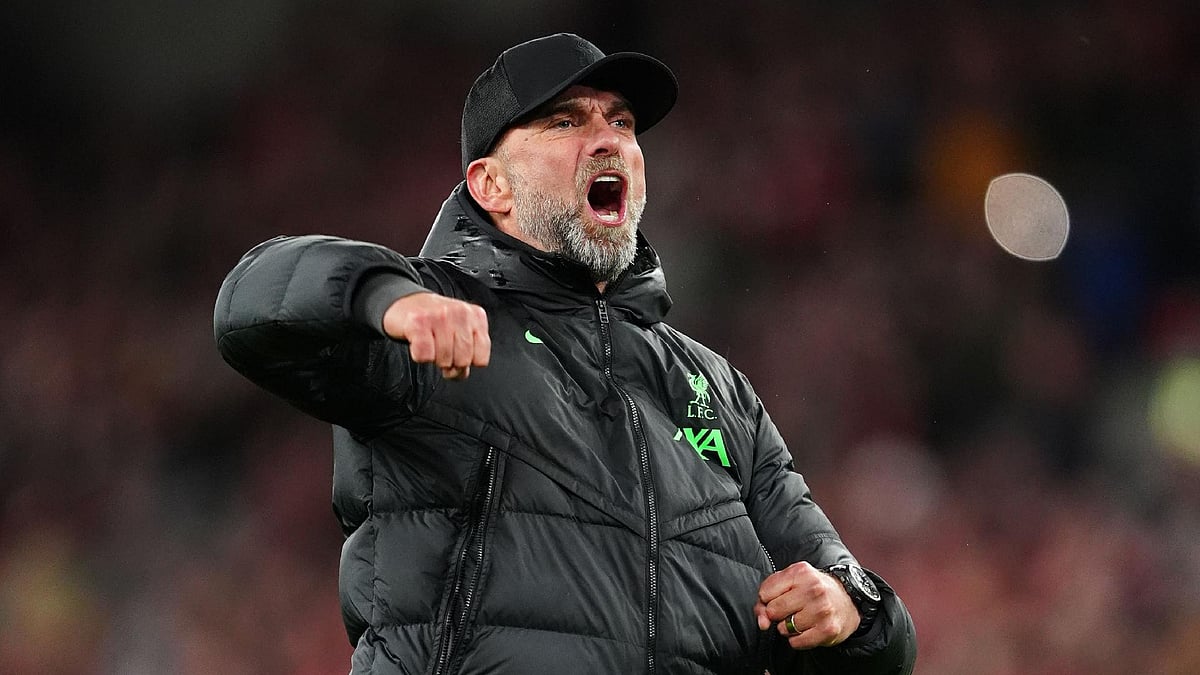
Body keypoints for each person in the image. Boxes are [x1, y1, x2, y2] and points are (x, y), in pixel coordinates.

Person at [214, 33, 917, 675]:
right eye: (566, 120)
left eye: (621, 122)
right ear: (492, 184)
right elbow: (251, 299)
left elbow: (877, 629)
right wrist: (385, 299)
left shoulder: (718, 389)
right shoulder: (431, 319)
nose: (607, 139)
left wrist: (851, 610)